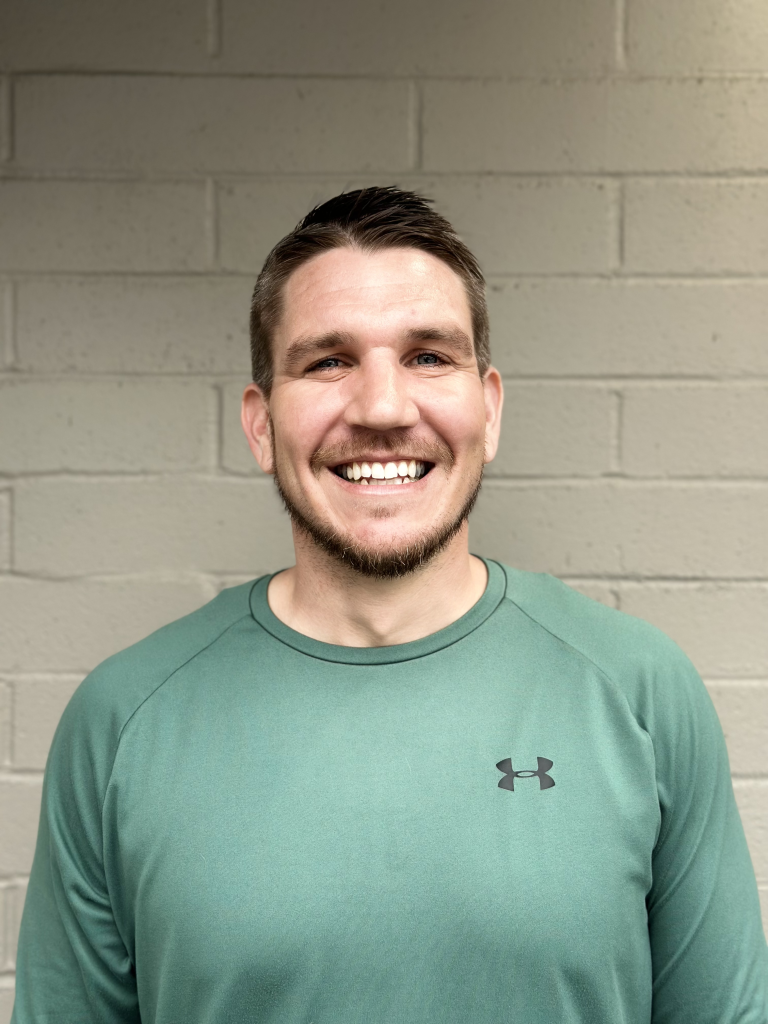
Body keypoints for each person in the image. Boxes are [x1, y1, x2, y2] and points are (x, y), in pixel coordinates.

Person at [12, 187, 768, 1023]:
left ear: (489, 406)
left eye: (428, 356)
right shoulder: (121, 722)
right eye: (329, 361)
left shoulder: (640, 693)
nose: (381, 408)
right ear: (261, 425)